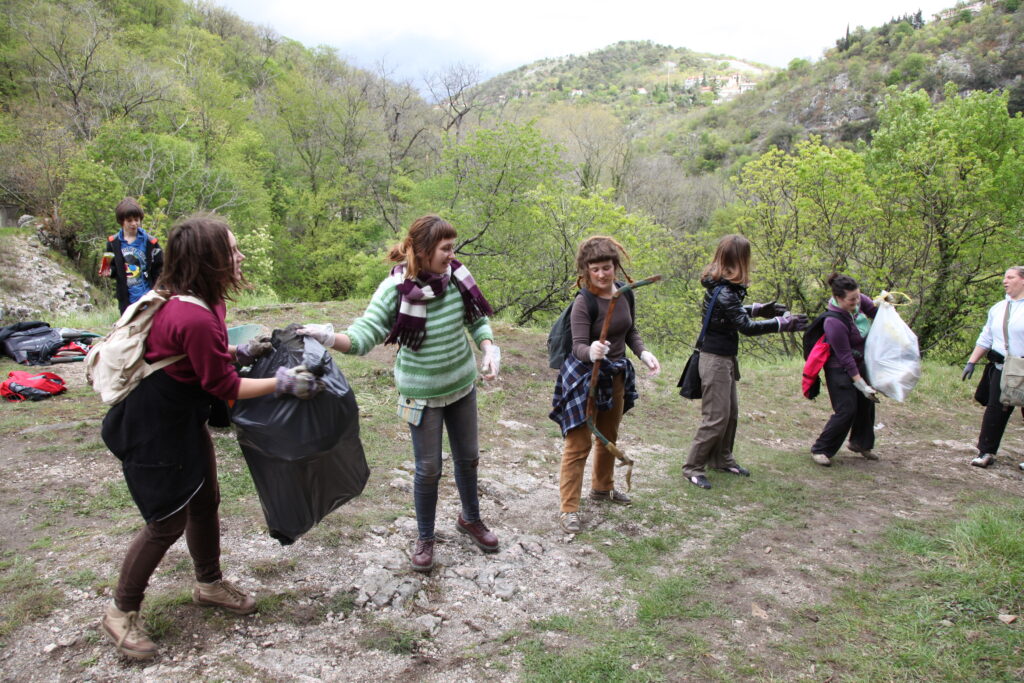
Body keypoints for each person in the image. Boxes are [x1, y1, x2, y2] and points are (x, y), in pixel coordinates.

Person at [99, 215, 321, 660]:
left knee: (204, 500)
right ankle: (120, 612)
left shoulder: (208, 300)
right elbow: (223, 385)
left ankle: (209, 584)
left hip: (183, 416)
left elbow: (202, 359)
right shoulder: (190, 313)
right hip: (151, 426)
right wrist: (281, 383)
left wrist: (240, 351)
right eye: (231, 250)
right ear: (208, 259)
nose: (240, 257)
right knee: (166, 521)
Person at [298, 214, 501, 573]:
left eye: (453, 247)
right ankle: (425, 537)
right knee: (428, 469)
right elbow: (363, 336)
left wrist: (488, 347)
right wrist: (328, 337)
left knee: (468, 458)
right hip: (420, 395)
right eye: (445, 249)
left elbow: (476, 319)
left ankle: (470, 518)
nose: (452, 255)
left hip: (462, 386)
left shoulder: (457, 277)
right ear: (422, 252)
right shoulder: (394, 290)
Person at [549, 236, 660, 534]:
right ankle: (569, 509)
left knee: (608, 435)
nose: (601, 274)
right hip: (584, 379)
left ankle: (602, 488)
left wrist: (643, 353)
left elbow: (630, 330)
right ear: (586, 270)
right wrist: (592, 351)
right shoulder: (583, 302)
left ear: (615, 266)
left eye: (606, 267)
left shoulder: (625, 294)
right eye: (595, 269)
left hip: (616, 375)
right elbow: (578, 347)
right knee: (578, 444)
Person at [684, 234, 807, 489]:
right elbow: (746, 327)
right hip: (715, 359)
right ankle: (693, 467)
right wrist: (781, 323)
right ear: (740, 259)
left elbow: (730, 314)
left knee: (730, 414)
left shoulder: (723, 286)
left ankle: (722, 459)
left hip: (724, 357)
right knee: (716, 417)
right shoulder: (725, 291)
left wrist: (759, 309)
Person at [809, 273, 881, 467]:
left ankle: (860, 443)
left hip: (860, 362)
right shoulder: (833, 322)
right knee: (846, 410)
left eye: (858, 297)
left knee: (866, 404)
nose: (856, 302)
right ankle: (821, 449)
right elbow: (845, 357)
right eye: (851, 300)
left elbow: (877, 313)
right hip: (839, 369)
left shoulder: (858, 299)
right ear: (838, 298)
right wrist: (861, 384)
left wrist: (886, 306)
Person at [960, 266, 1024, 469]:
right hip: (1001, 366)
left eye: (1010, 277)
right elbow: (986, 337)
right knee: (995, 410)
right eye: (1004, 277)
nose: (1005, 281)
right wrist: (971, 361)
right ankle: (986, 452)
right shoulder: (998, 308)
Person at [103, 197, 163, 313]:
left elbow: (160, 269)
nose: (134, 224)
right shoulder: (113, 243)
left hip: (148, 297)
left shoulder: (151, 242)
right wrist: (109, 272)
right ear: (122, 221)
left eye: (136, 219)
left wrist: (159, 291)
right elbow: (112, 268)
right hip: (126, 299)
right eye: (129, 220)